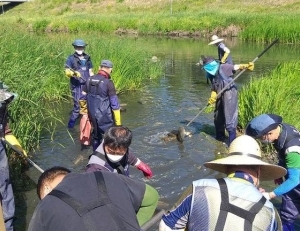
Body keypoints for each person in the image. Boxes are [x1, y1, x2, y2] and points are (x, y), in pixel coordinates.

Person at [159, 135, 286, 231]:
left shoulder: (199, 187)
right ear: (259, 170)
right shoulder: (270, 212)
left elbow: (167, 225)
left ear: (226, 167)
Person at [28, 166, 159, 230]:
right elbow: (152, 197)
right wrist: (134, 224)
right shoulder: (106, 175)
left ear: (46, 188)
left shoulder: (44, 206)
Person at [245, 113, 300, 231]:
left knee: (287, 214)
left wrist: (270, 195)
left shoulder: (292, 149)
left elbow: (295, 179)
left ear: (269, 134)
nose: (261, 141)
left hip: (297, 178)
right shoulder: (282, 129)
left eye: (261, 138)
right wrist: (280, 172)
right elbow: (283, 154)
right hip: (295, 168)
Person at [200, 55, 254, 145]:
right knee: (218, 116)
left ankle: (232, 142)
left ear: (212, 64)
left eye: (207, 67)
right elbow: (214, 86)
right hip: (219, 94)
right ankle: (219, 139)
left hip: (229, 94)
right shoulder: (210, 74)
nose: (206, 69)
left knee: (230, 118)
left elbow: (236, 67)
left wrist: (246, 66)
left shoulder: (223, 67)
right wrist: (212, 96)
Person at [0, 82, 28, 231]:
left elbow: (5, 130)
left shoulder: (3, 107)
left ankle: (8, 224)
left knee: (4, 185)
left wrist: (17, 147)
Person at [82, 59, 121, 151]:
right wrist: (118, 124)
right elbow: (115, 104)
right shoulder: (108, 83)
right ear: (110, 69)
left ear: (100, 68)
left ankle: (95, 154)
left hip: (92, 114)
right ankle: (108, 156)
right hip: (105, 116)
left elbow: (82, 96)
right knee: (110, 137)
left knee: (96, 136)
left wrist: (84, 113)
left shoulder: (89, 79)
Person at [86, 125, 153, 179]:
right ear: (105, 144)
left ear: (126, 147)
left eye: (119, 153)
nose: (115, 155)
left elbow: (132, 158)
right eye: (110, 151)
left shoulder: (122, 146)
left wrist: (140, 165)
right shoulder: (95, 167)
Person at [65, 39, 94, 128]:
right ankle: (70, 126)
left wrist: (93, 80)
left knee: (89, 105)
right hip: (76, 86)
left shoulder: (87, 58)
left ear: (84, 47)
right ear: (74, 47)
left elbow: (90, 71)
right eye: (78, 47)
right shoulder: (70, 58)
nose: (80, 48)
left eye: (81, 47)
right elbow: (67, 72)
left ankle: (88, 126)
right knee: (77, 106)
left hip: (87, 84)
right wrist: (74, 73)